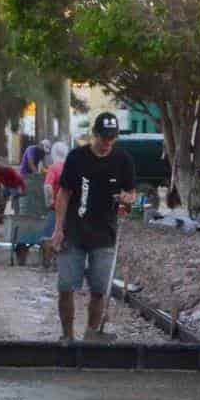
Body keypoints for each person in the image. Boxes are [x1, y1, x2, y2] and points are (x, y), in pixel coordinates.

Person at [48, 112, 136, 343]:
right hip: (74, 231)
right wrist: (58, 228)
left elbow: (131, 192)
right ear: (94, 134)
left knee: (99, 289)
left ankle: (91, 335)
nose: (107, 142)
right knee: (66, 286)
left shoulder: (123, 159)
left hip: (105, 233)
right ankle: (67, 336)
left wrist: (127, 199)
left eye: (112, 138)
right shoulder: (77, 157)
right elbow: (63, 193)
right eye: (103, 137)